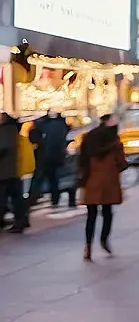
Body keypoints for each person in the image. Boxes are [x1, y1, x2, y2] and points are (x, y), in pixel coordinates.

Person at [78, 114, 128, 260]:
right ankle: (104, 240)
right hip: (108, 180)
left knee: (91, 215)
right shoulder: (114, 140)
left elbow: (82, 159)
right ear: (109, 122)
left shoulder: (88, 137)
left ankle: (88, 246)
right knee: (107, 212)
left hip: (91, 179)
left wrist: (82, 177)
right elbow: (122, 163)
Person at [29, 109, 69, 207]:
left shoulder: (42, 124)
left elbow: (33, 137)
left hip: (44, 155)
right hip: (56, 156)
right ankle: (55, 198)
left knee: (38, 178)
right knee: (53, 178)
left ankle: (33, 198)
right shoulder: (61, 125)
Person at [0, 113, 28, 233]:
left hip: (6, 170)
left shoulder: (7, 129)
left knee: (6, 197)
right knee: (14, 197)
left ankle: (20, 221)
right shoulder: (10, 129)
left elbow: (4, 147)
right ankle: (20, 220)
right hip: (10, 170)